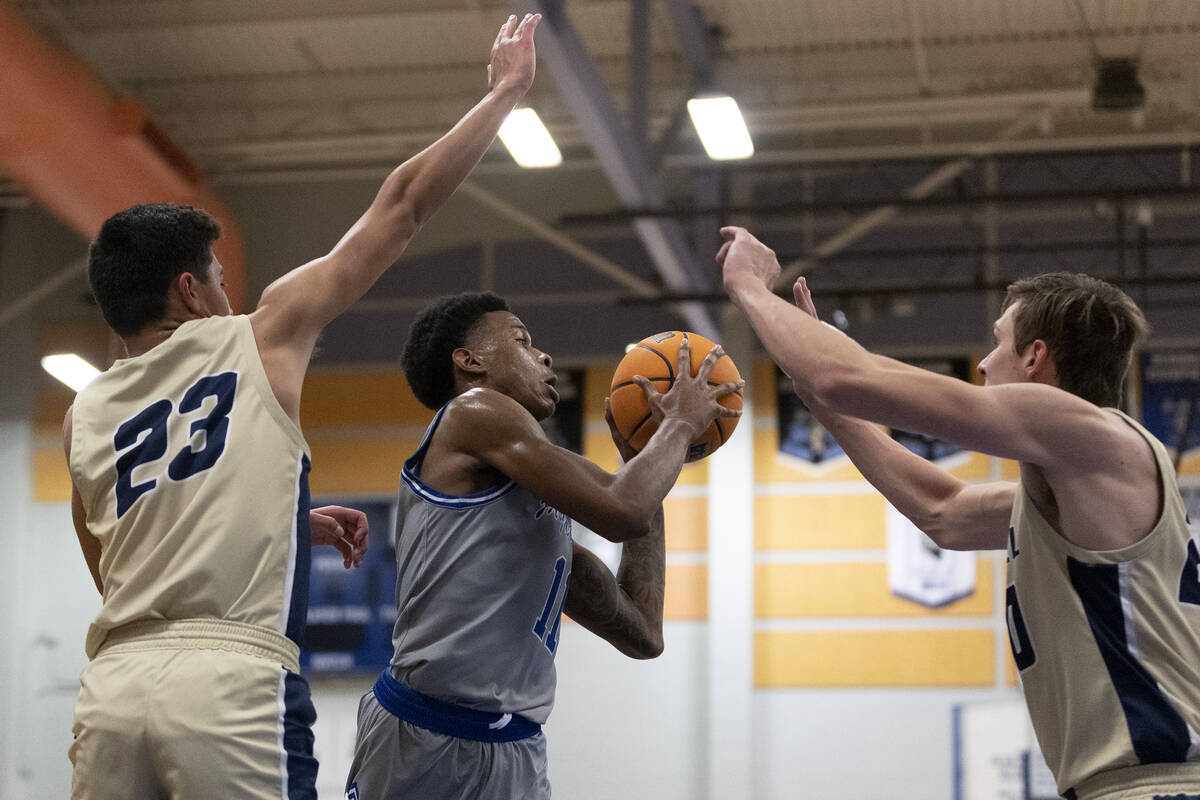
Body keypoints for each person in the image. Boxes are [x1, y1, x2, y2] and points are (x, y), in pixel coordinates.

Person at [63, 14, 542, 799]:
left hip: (113, 689)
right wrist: (504, 95)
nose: (228, 289)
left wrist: (282, 520)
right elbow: (402, 208)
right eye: (216, 275)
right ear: (189, 290)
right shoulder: (259, 335)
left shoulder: (86, 411)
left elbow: (113, 561)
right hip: (228, 684)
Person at [717, 226, 1200, 800]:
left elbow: (845, 375)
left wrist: (749, 286)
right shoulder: (1082, 487)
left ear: (1035, 356)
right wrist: (823, 394)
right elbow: (941, 509)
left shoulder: (1087, 431)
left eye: (997, 342)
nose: (982, 365)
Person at [343, 292, 741, 800]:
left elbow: (644, 632)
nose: (544, 356)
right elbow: (621, 509)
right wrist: (679, 425)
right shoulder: (473, 411)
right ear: (470, 362)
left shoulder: (541, 534)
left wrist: (645, 456)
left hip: (517, 749)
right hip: (425, 737)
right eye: (522, 341)